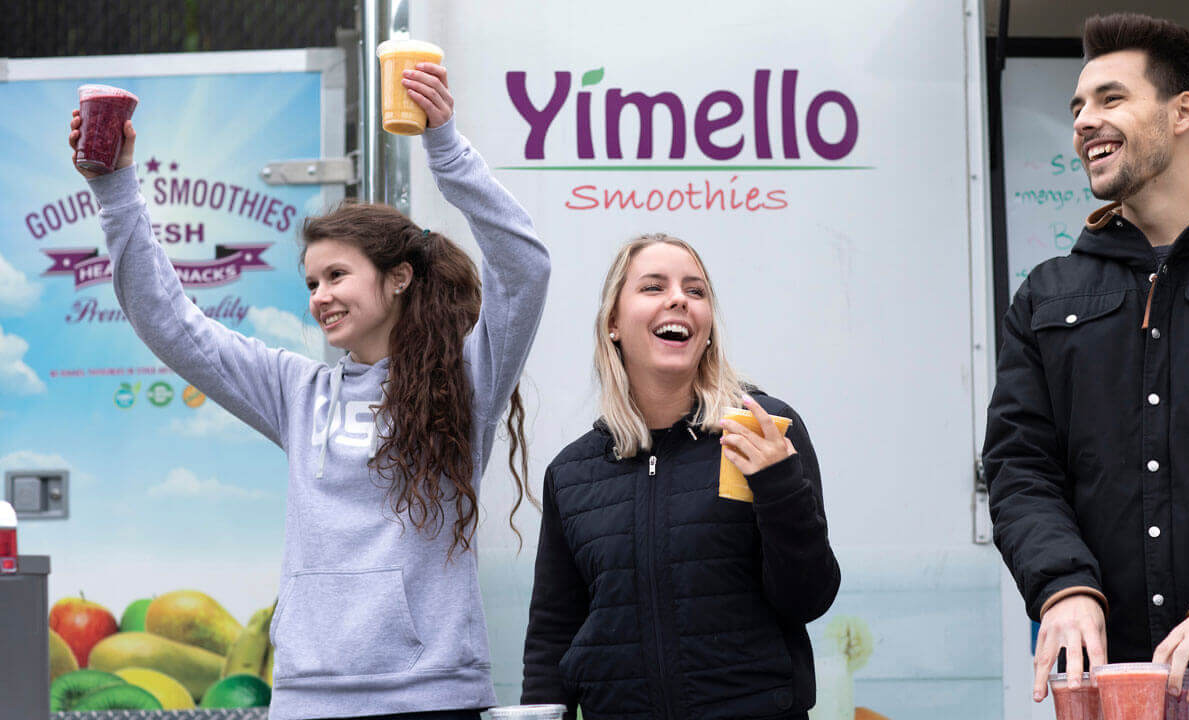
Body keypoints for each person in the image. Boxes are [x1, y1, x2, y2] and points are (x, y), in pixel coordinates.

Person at [69, 62, 550, 720]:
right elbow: (169, 322)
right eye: (311, 283)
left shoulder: (468, 383)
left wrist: (444, 145)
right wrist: (115, 189)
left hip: (433, 698)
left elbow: (525, 268)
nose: (319, 297)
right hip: (308, 700)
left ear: (400, 277)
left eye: (336, 276)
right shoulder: (297, 392)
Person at [984, 12, 1189, 708]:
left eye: (1110, 98)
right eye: (1077, 107)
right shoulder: (1046, 294)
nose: (1085, 120)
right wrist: (1062, 587)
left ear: (1183, 112)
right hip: (1107, 685)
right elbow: (1018, 467)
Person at [519, 234, 839, 719]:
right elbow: (552, 633)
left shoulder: (761, 430)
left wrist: (779, 487)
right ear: (613, 324)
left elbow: (808, 597)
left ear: (708, 327)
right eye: (653, 287)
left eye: (696, 290)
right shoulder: (572, 474)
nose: (678, 299)